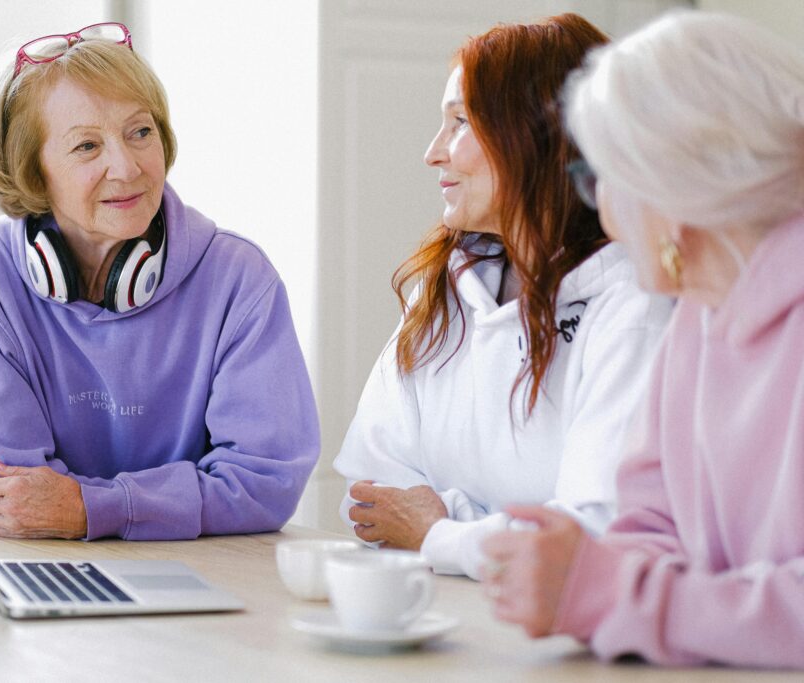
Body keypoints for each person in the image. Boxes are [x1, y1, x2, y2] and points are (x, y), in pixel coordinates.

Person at [481, 11, 804, 668]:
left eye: (598, 178)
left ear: (673, 182)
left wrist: (615, 594)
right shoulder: (699, 313)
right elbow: (651, 527)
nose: (601, 213)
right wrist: (582, 571)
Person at [0, 23, 319, 540]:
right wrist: (173, 504)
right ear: (32, 172)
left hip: (188, 575)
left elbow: (263, 481)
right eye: (87, 146)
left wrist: (93, 508)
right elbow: (8, 500)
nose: (127, 166)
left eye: (141, 132)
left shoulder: (239, 279)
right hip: (23, 570)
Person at [332, 14, 673, 578]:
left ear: (539, 136)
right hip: (442, 621)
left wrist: (438, 532)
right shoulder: (443, 293)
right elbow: (368, 497)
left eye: (460, 122)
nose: (433, 152)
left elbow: (592, 537)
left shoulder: (636, 307)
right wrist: (473, 537)